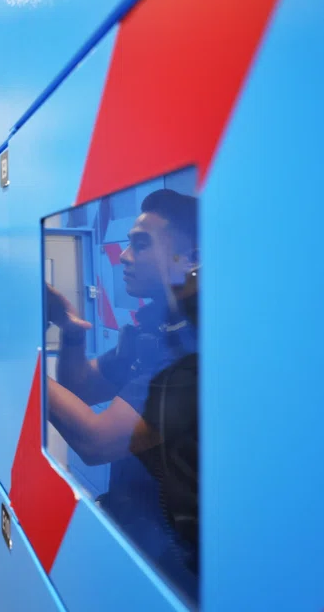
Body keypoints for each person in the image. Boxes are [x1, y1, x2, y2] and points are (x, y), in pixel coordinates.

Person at [45, 188, 199, 596]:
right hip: (138, 530)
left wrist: (21, 369)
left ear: (191, 258)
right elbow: (82, 385)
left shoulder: (193, 350)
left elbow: (97, 442)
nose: (124, 257)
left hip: (178, 561)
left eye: (141, 244)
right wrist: (71, 330)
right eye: (128, 243)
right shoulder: (153, 330)